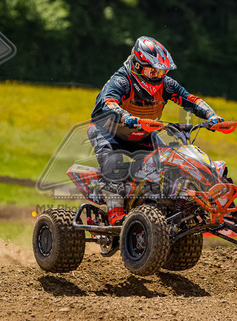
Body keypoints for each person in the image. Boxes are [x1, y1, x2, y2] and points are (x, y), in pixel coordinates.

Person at [89, 36, 224, 225]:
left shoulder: (166, 84)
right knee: (114, 162)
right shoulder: (121, 81)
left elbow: (190, 99)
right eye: (152, 71)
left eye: (161, 72)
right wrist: (126, 117)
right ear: (137, 65)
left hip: (143, 133)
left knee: (172, 161)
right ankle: (115, 213)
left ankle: (171, 205)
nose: (157, 76)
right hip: (108, 131)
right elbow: (108, 103)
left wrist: (211, 115)